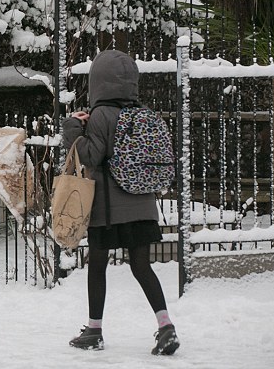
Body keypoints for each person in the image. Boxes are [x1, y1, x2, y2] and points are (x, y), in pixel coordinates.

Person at [61, 49, 180, 355]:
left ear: (98, 81)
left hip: (108, 210)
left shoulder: (101, 114)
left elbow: (89, 156)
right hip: (142, 205)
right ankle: (166, 326)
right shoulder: (140, 113)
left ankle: (94, 330)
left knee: (97, 265)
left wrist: (74, 127)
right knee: (142, 266)